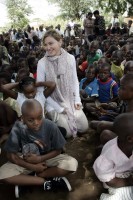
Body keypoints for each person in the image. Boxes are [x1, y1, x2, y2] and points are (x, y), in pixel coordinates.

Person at [0, 99, 78, 198]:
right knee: (2, 175)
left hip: (46, 158)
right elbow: (10, 156)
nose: (36, 123)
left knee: (72, 164)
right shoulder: (17, 128)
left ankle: (38, 176)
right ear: (22, 118)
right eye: (30, 120)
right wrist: (32, 167)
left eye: (39, 117)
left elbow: (58, 150)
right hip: (24, 160)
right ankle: (43, 182)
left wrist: (40, 159)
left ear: (42, 114)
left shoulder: (51, 126)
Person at [37, 29, 88, 138]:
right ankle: (51, 118)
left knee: (84, 127)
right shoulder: (42, 63)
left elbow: (75, 79)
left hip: (70, 99)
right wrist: (59, 108)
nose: (48, 47)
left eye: (51, 43)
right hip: (52, 102)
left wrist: (77, 99)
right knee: (67, 133)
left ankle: (66, 118)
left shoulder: (70, 58)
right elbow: (41, 91)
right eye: (45, 45)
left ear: (60, 42)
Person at [93, 113, 133, 199]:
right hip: (117, 180)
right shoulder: (108, 157)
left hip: (129, 174)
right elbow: (110, 181)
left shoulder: (128, 145)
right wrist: (128, 181)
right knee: (118, 196)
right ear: (130, 139)